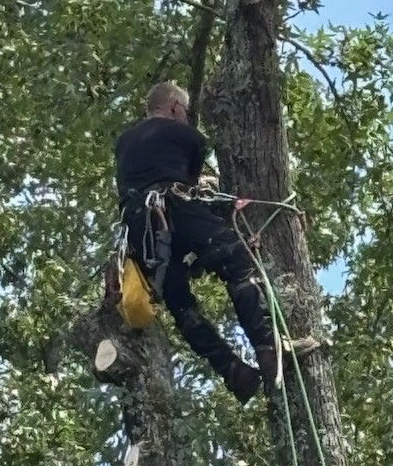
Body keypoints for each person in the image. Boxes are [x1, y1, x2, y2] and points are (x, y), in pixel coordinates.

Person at [114, 81, 278, 403]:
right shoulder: (188, 136)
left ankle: (232, 371)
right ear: (175, 106)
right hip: (175, 207)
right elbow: (191, 184)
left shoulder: (123, 144)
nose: (187, 117)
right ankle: (266, 348)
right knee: (236, 258)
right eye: (186, 111)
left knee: (179, 302)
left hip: (139, 233)